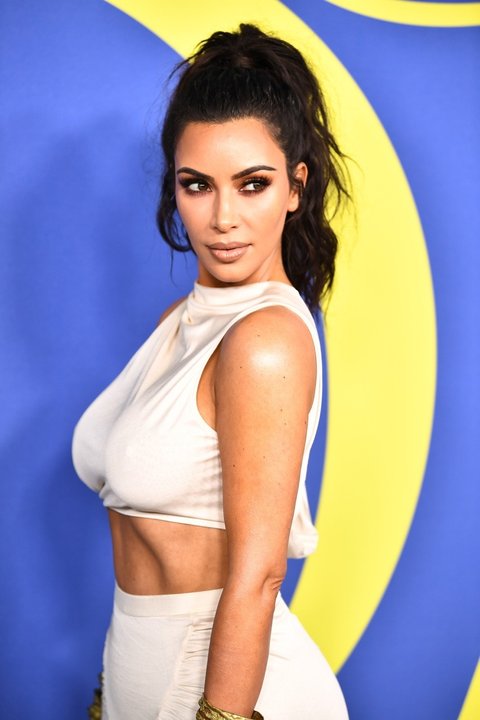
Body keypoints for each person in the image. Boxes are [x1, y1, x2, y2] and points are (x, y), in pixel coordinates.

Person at [72, 22, 350, 720]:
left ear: (295, 187)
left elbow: (258, 576)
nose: (223, 218)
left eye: (253, 185)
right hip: (140, 667)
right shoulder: (183, 318)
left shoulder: (265, 340)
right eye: (197, 185)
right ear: (174, 188)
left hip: (226, 689)